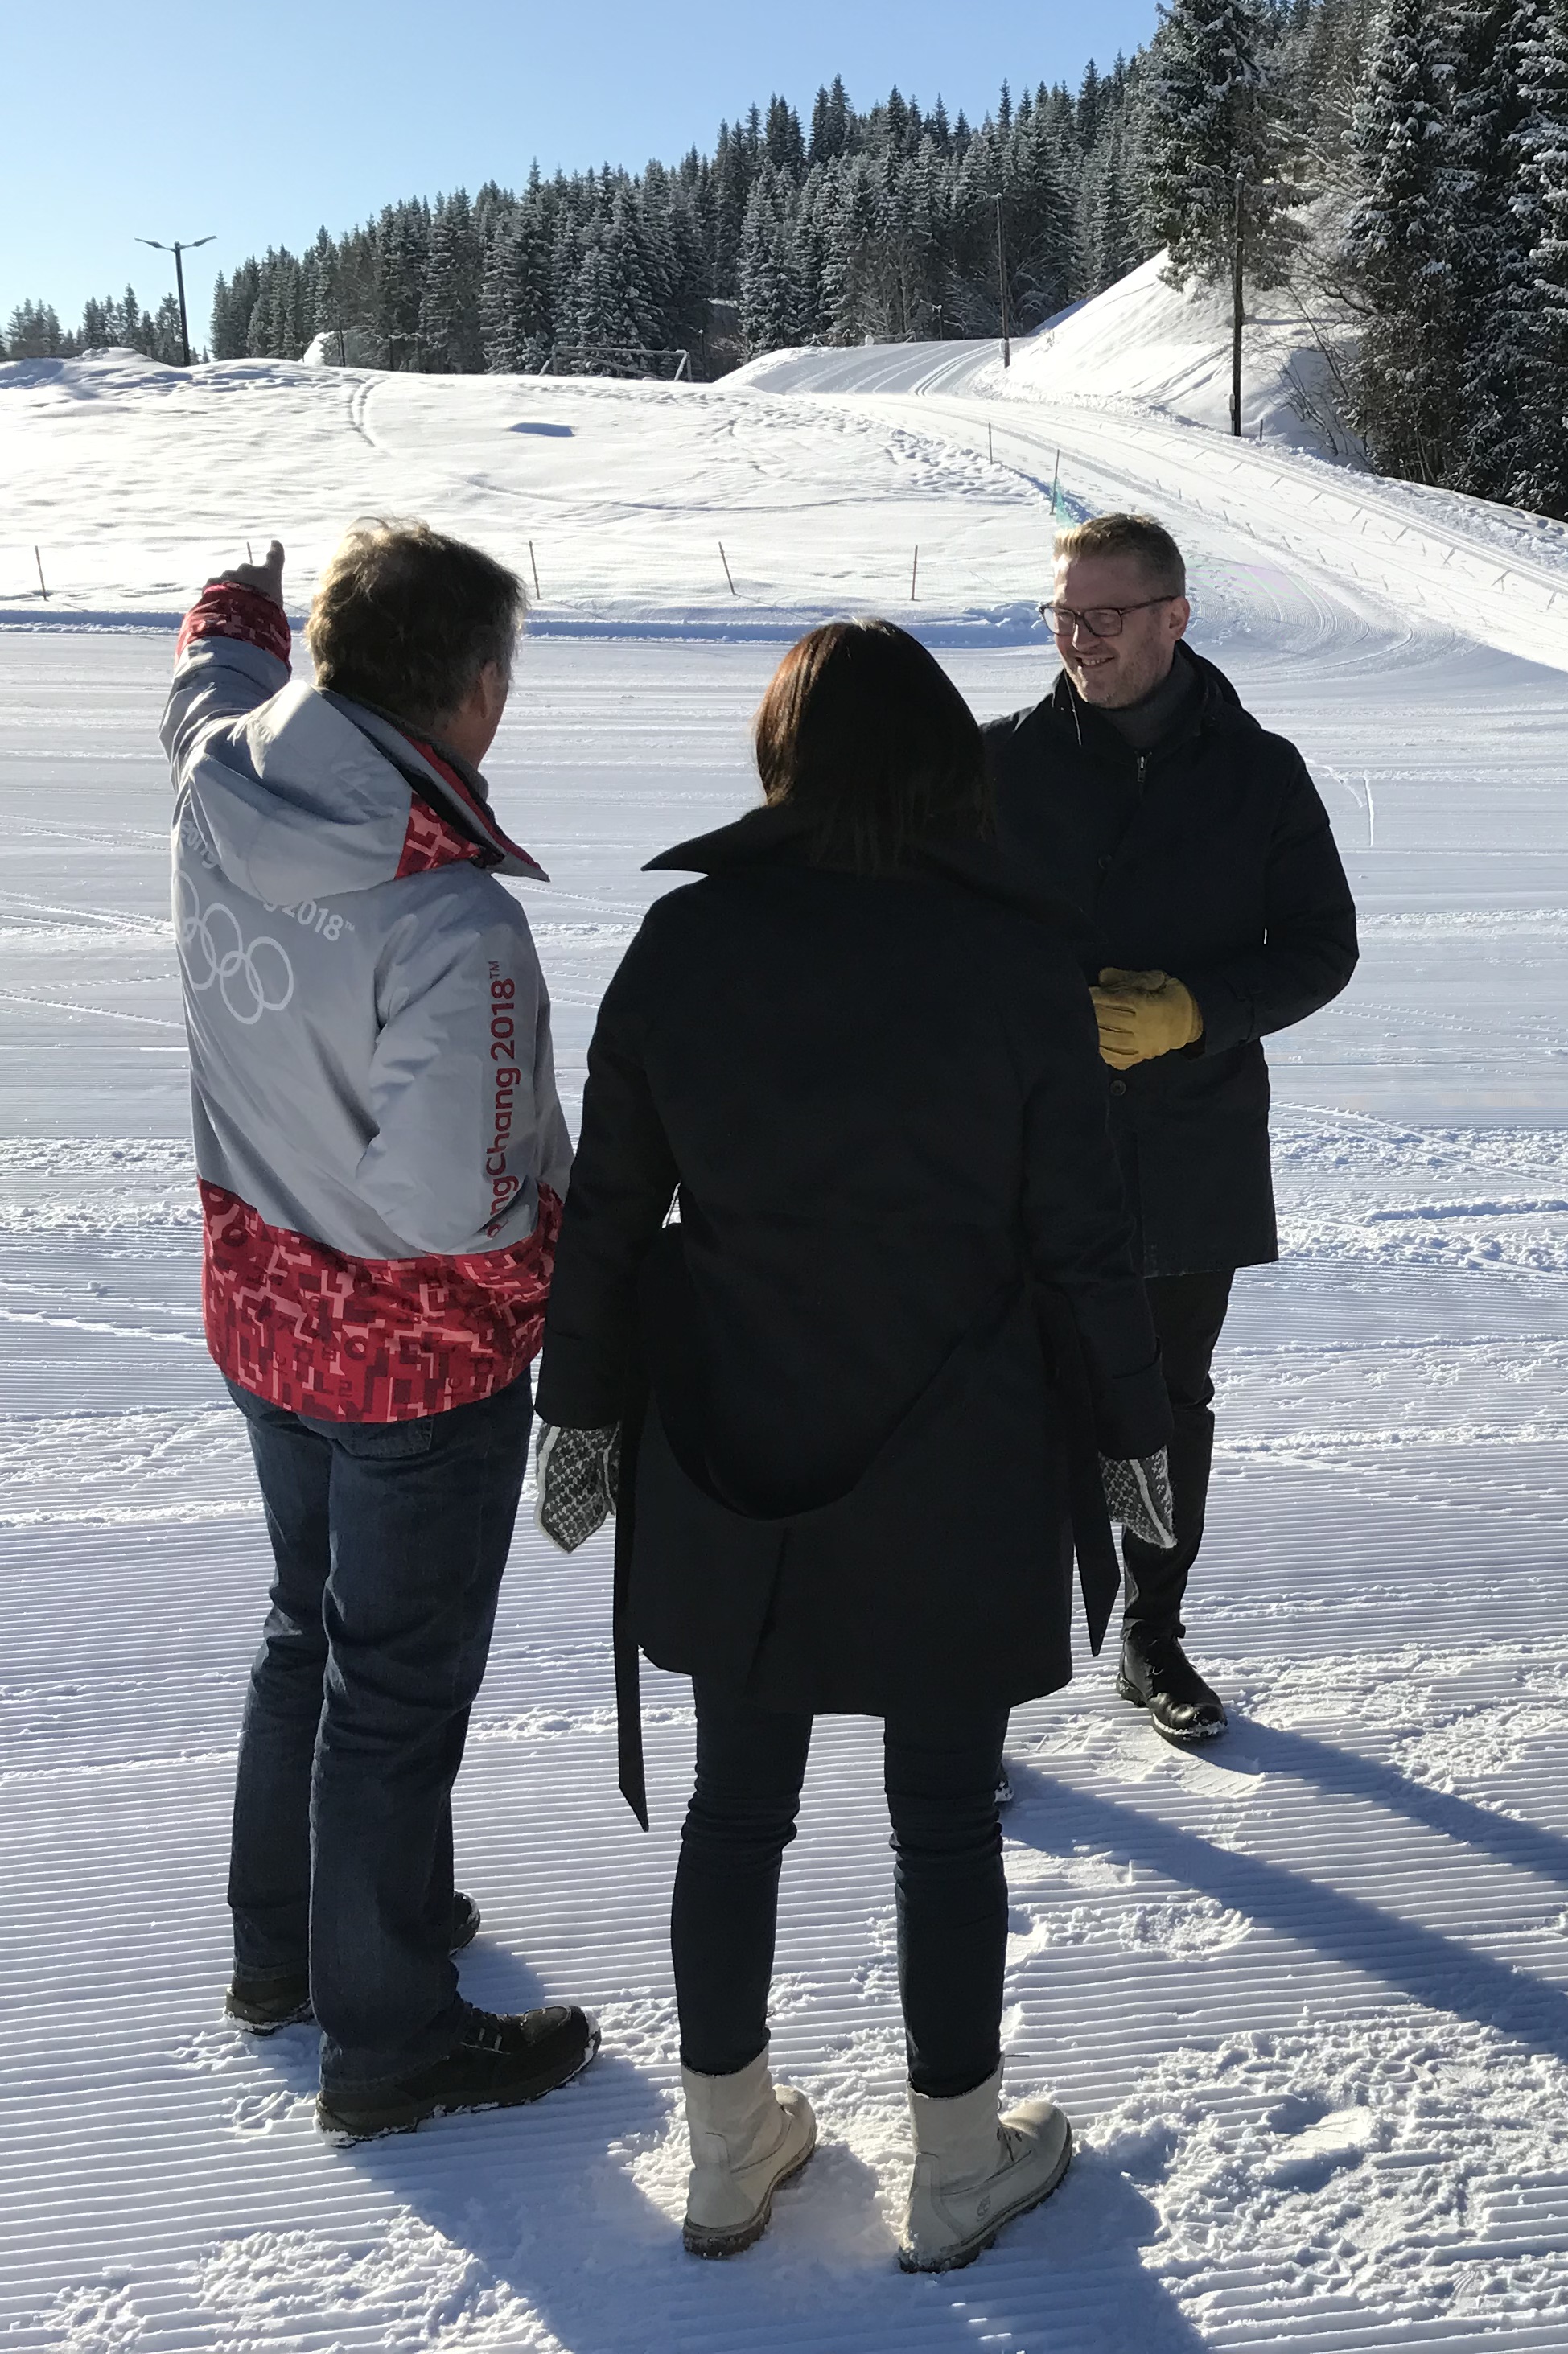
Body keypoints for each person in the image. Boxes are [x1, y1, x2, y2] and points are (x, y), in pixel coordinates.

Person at [533, 621, 1175, 2270]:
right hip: (960, 1453)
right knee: (945, 1815)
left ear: (785, 762)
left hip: (739, 1443)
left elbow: (605, 1223)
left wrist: (581, 1416)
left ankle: (730, 2152)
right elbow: (1083, 1244)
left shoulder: (685, 945)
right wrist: (1131, 1438)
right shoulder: (1024, 965)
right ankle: (955, 2168)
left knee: (736, 1807)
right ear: (947, 770)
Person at [163, 522, 595, 2141]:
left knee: (307, 1632)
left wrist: (237, 594)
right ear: (476, 691)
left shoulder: (223, 778)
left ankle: (295, 1949)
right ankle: (392, 2033)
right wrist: (591, 1275)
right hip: (409, 1369)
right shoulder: (449, 918)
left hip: (262, 1312)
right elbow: (467, 1209)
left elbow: (210, 673)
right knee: (394, 1695)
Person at [979, 514, 1358, 1747]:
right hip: (1028, 1149)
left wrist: (1202, 1011)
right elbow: (931, 949)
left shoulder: (1262, 774)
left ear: (1174, 617)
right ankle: (984, 1673)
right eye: (1063, 617)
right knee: (1013, 1405)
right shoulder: (996, 769)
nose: (1078, 641)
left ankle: (1153, 1630)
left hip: (1191, 1140)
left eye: (1105, 616)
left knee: (1167, 1398)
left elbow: (1320, 950)